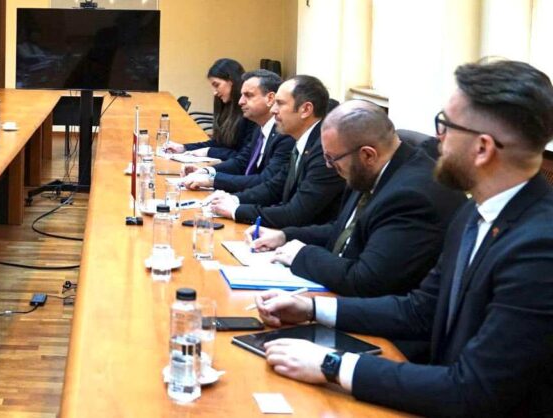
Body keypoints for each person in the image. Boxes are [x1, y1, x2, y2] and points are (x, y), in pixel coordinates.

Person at [255, 60, 553, 416]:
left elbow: (473, 389)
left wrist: (333, 365)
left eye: (445, 125)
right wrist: (311, 308)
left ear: (483, 148)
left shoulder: (539, 247)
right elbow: (420, 309)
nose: (437, 138)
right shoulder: (475, 213)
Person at [245, 100, 465, 297]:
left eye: (332, 159)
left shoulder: (411, 196)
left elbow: (366, 281)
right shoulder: (369, 169)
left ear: (368, 155)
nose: (329, 166)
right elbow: (344, 231)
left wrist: (302, 255)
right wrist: (285, 236)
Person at [205, 75, 346, 228]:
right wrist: (234, 199)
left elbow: (296, 213)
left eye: (280, 103)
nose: (273, 110)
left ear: (305, 109)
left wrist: (236, 210)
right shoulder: (302, 141)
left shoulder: (324, 150)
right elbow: (275, 187)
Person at [181, 70, 295, 193]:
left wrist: (212, 180)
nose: (240, 101)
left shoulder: (285, 134)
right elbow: (242, 162)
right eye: (241, 95)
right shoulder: (260, 128)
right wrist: (206, 171)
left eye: (248, 95)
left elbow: (265, 180)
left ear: (270, 98)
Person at [165, 58, 257, 160]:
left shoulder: (251, 113)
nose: (215, 92)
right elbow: (218, 143)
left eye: (217, 85)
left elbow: (243, 157)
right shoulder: (226, 105)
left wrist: (208, 152)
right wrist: (184, 148)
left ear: (231, 81)